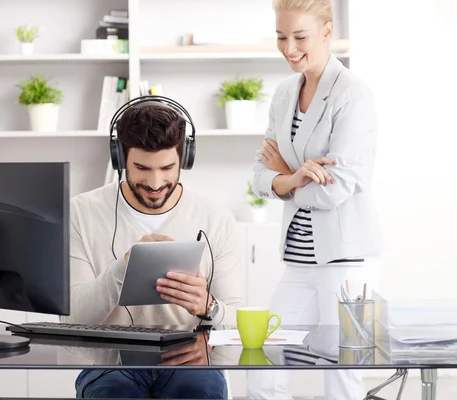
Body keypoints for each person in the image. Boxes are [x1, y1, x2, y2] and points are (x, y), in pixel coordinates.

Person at [63, 97, 245, 398]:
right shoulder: (81, 213)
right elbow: (73, 320)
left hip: (190, 361)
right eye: (142, 168)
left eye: (167, 167)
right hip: (111, 365)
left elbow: (237, 320)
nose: (156, 182)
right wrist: (125, 266)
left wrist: (208, 308)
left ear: (184, 159)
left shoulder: (216, 219)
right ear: (120, 159)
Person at [249, 0, 383, 399]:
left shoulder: (353, 94)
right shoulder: (284, 92)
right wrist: (295, 175)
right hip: (297, 261)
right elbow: (259, 177)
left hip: (347, 263)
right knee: (262, 359)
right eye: (281, 37)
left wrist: (285, 177)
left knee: (343, 376)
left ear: (327, 31)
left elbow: (337, 188)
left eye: (300, 36)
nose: (289, 48)